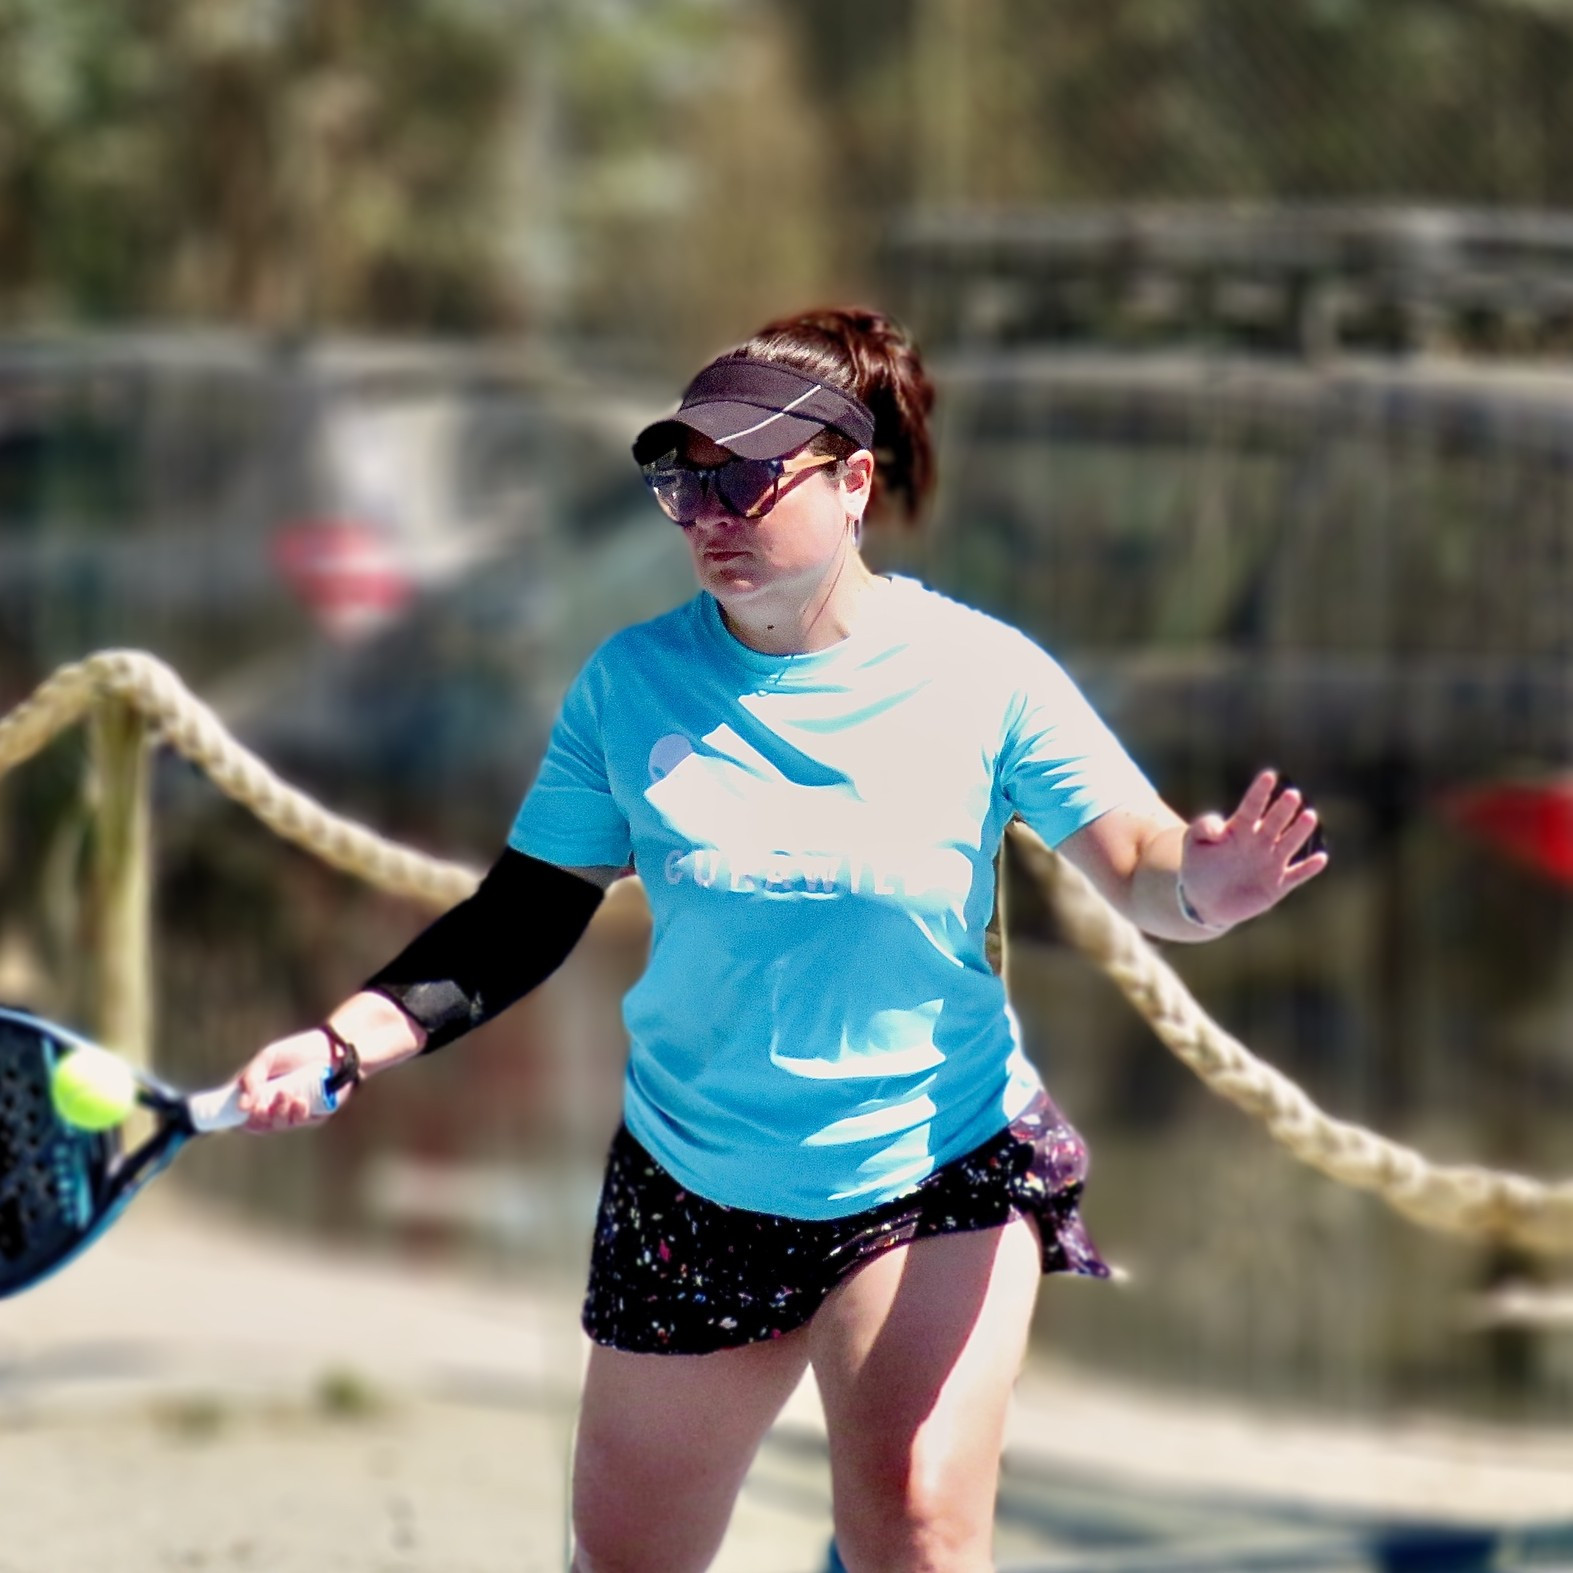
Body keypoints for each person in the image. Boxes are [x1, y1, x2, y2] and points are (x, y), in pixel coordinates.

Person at [234, 306, 1327, 1573]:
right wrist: (342, 1042)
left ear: (853, 482)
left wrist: (1209, 888)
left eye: (747, 477)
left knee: (914, 1524)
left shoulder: (983, 675)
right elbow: (519, 918)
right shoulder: (629, 683)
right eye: (685, 482)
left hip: (932, 1162)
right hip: (693, 1176)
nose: (710, 513)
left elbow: (1141, 864)